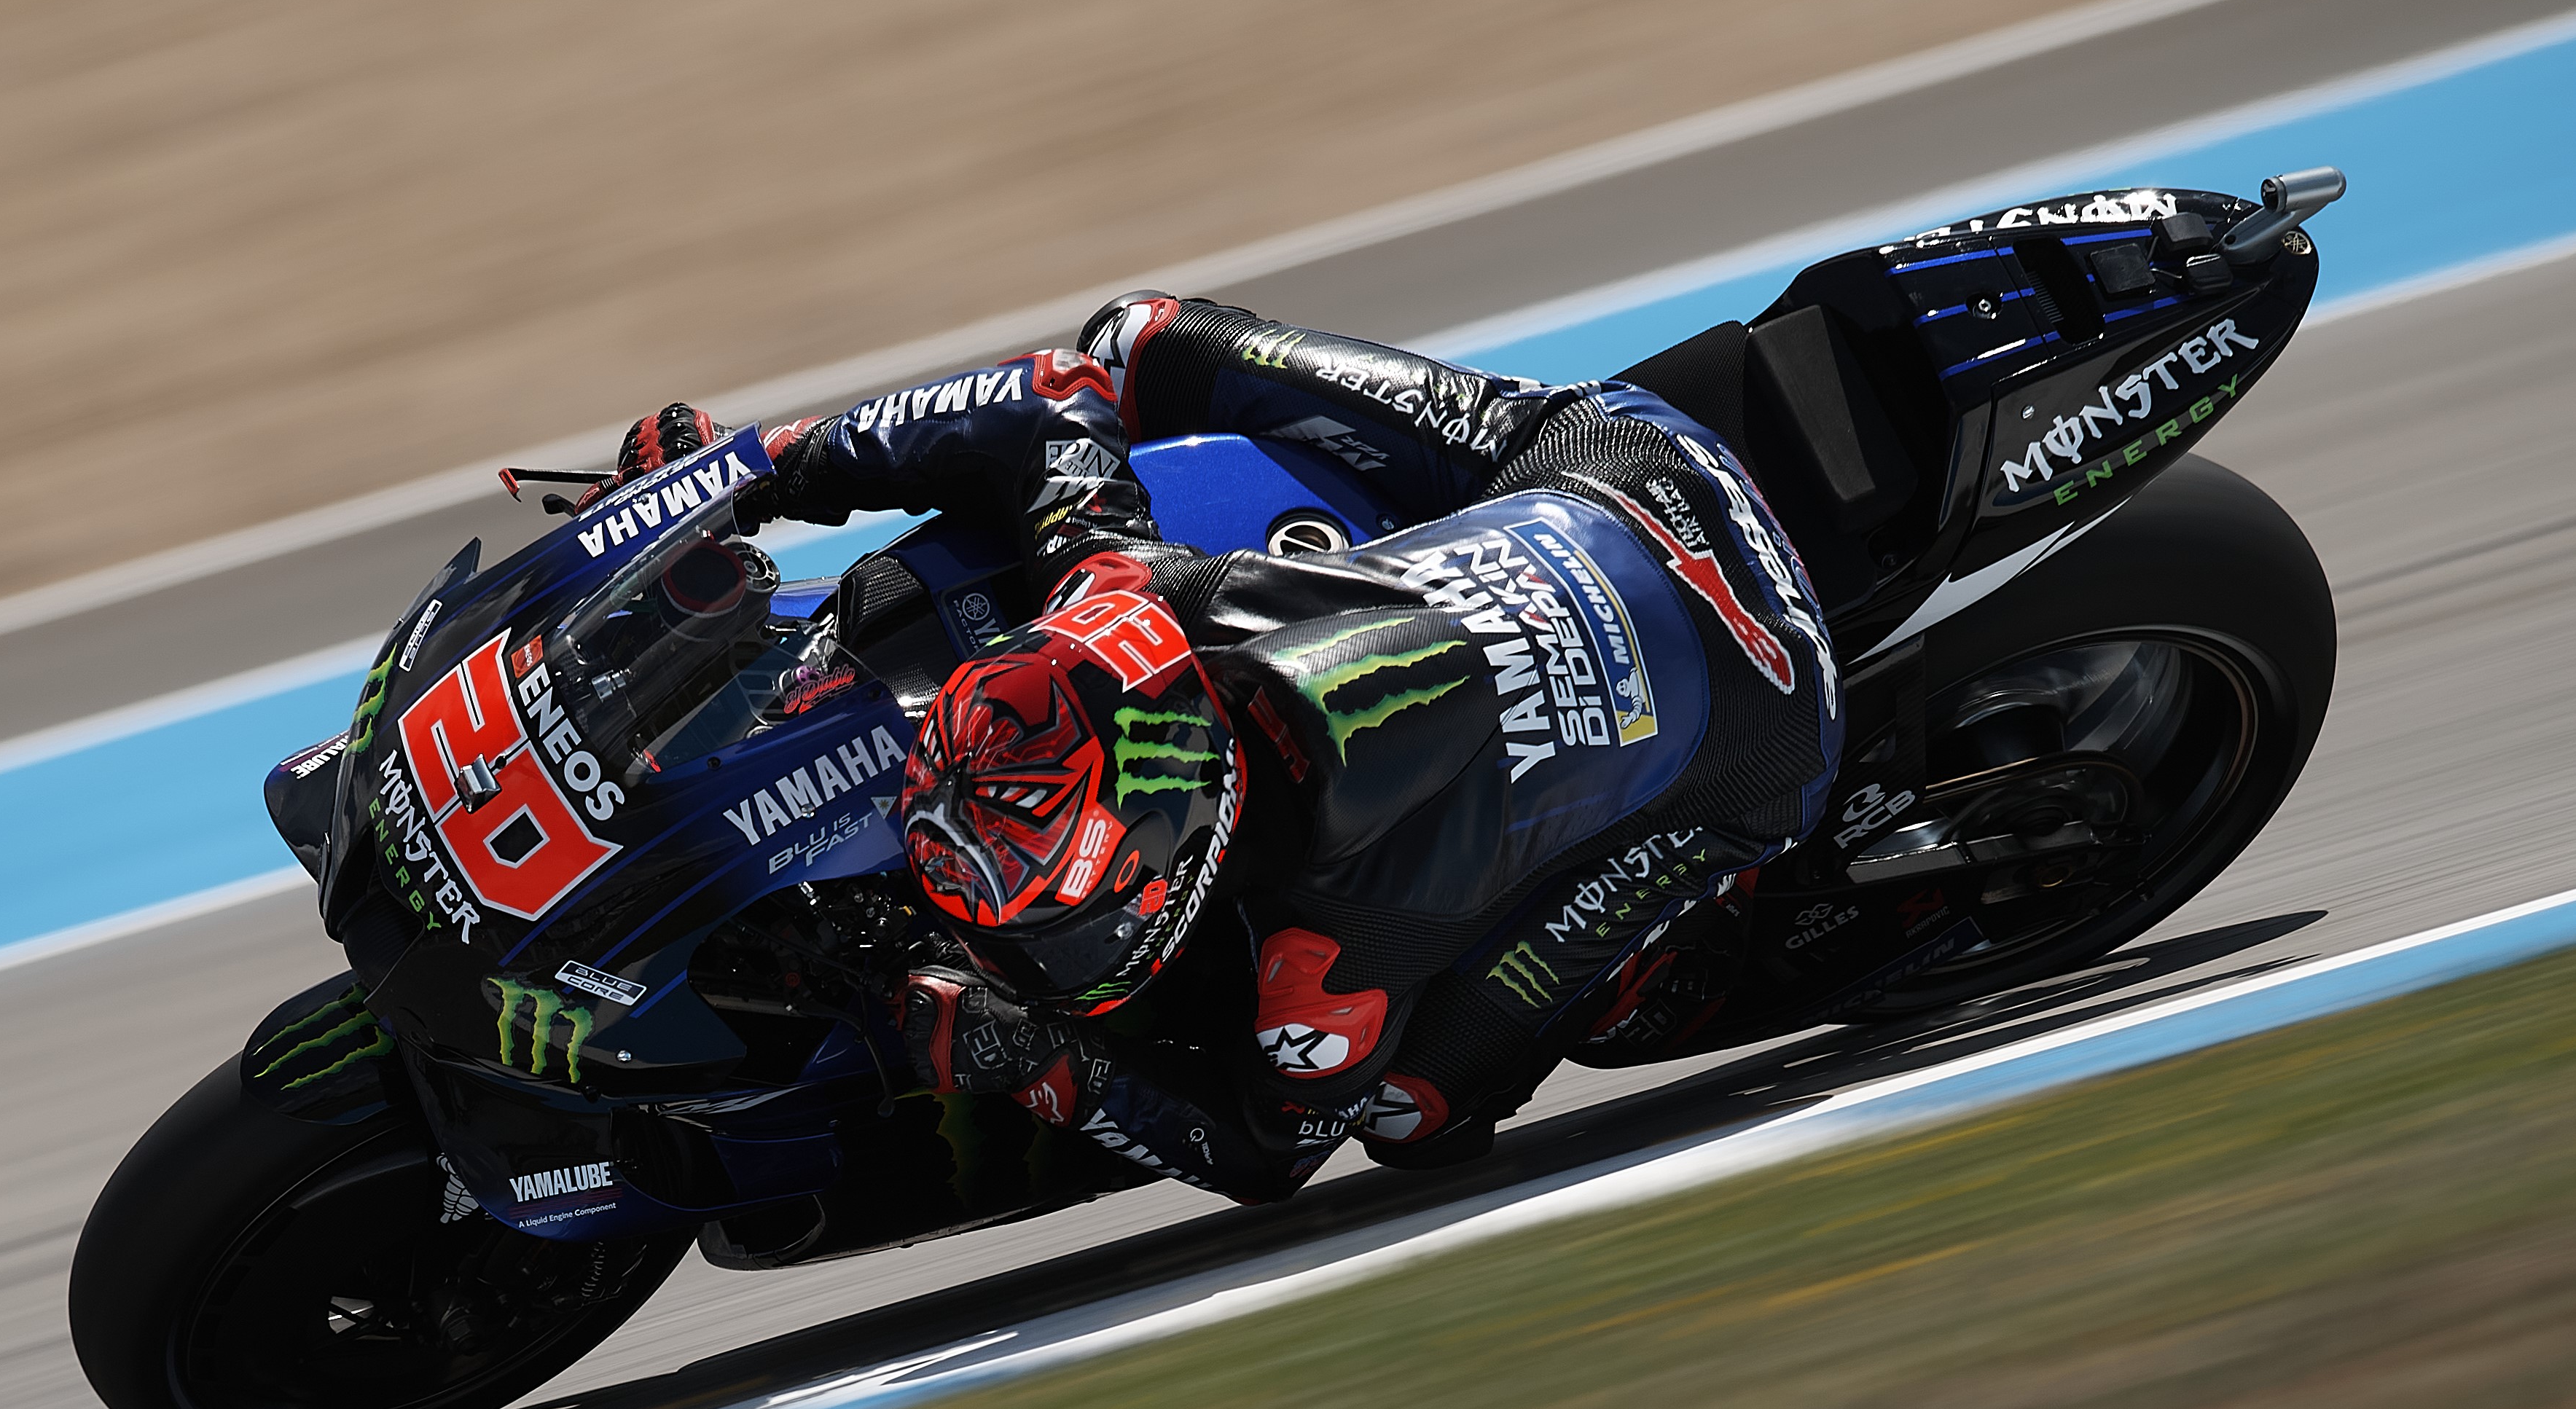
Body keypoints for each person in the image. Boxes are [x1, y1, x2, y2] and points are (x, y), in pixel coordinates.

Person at [602, 295, 1840, 1201]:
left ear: (1175, 863)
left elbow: (1268, 1151)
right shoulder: (1119, 590)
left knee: (1416, 1113)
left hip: (1767, 710)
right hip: (1622, 471)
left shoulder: (1336, 953)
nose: (992, 913)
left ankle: (1666, 937)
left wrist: (1041, 1060)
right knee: (1137, 341)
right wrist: (756, 471)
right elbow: (1041, 402)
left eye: (1033, 905)